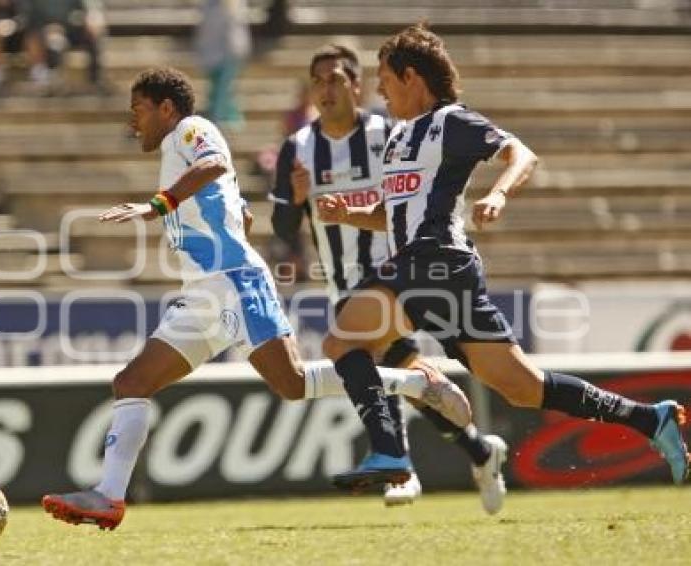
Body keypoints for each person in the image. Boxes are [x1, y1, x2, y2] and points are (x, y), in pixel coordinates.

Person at [41, 67, 472, 530]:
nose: (133, 122)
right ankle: (108, 497)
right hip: (202, 293)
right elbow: (235, 207)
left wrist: (157, 206)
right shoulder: (175, 147)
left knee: (291, 384)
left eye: (139, 110)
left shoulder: (191, 128)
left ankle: (417, 384)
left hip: (234, 282)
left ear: (166, 108)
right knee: (131, 383)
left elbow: (215, 165)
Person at [316, 24, 690, 490]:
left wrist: (497, 194)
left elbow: (522, 155)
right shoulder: (398, 139)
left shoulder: (453, 122)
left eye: (385, 78)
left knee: (343, 342)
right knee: (523, 388)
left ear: (411, 77)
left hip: (435, 261)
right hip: (437, 269)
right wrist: (349, 213)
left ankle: (393, 440)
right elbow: (392, 214)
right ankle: (649, 419)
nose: (380, 90)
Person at [271, 44, 507, 513]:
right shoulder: (298, 148)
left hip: (396, 272)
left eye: (336, 78)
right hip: (341, 281)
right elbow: (281, 229)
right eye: (317, 81)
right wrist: (296, 200)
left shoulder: (390, 132)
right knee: (393, 368)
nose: (326, 89)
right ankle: (478, 450)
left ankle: (402, 465)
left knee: (376, 360)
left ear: (356, 85)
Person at [20, 0, 107, 94]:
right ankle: (52, 82)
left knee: (92, 37)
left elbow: (78, 12)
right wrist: (49, 27)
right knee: (54, 41)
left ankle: (95, 80)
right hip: (45, 31)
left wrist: (88, 22)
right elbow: (31, 16)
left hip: (70, 29)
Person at [194, 0, 251, 128]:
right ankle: (218, 121)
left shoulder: (234, 4)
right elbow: (205, 31)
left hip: (229, 55)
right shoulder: (208, 5)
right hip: (213, 54)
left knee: (224, 90)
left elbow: (237, 30)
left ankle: (220, 121)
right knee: (217, 91)